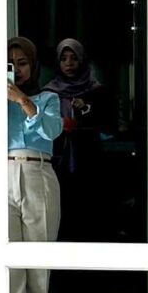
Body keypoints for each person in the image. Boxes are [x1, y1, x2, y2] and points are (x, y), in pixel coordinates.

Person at [7, 36, 63, 293]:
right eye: (11, 64)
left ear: (33, 65)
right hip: (2, 175)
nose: (17, 69)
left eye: (23, 63)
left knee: (38, 264)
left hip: (38, 173)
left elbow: (52, 131)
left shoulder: (48, 98)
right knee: (8, 264)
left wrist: (23, 101)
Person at [44, 35, 106, 243]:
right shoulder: (49, 92)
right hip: (58, 158)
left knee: (88, 209)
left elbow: (108, 123)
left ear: (82, 60)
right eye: (64, 59)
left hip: (88, 157)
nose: (69, 64)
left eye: (74, 58)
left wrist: (85, 108)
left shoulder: (95, 91)